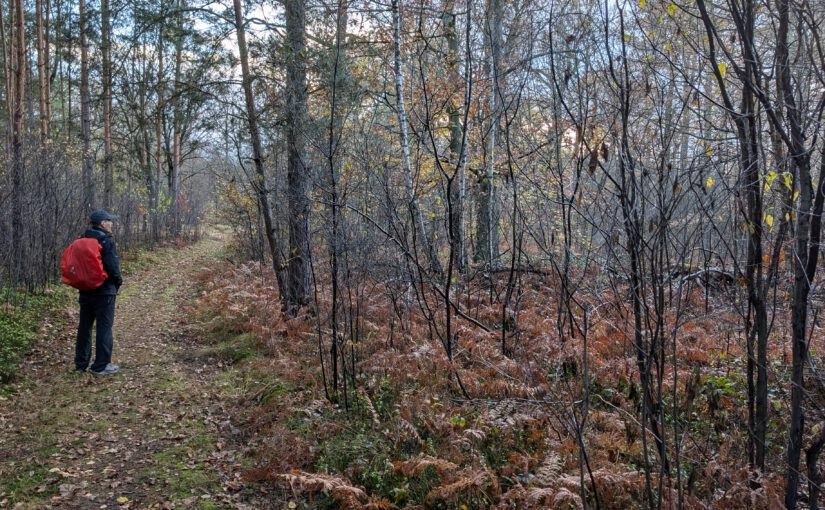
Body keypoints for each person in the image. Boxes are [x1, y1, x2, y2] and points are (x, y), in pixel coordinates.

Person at [75, 210, 123, 375]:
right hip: (104, 292)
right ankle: (101, 366)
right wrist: (118, 283)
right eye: (109, 221)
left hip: (85, 290)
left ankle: (81, 363)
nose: (112, 224)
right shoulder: (106, 241)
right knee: (104, 327)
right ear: (102, 223)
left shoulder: (82, 239)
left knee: (84, 327)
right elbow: (112, 267)